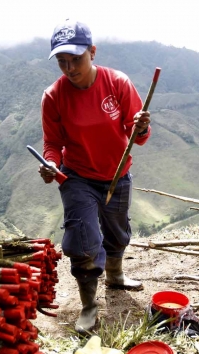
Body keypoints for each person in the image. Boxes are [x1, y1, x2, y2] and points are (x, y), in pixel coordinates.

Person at [38, 19, 152, 334]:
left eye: (76, 59)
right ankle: (89, 305)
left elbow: (138, 136)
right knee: (82, 239)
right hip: (77, 176)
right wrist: (50, 165)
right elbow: (52, 144)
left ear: (93, 52)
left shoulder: (118, 83)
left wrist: (140, 127)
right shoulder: (53, 97)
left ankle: (115, 276)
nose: (70, 67)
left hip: (117, 172)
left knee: (117, 231)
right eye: (62, 61)